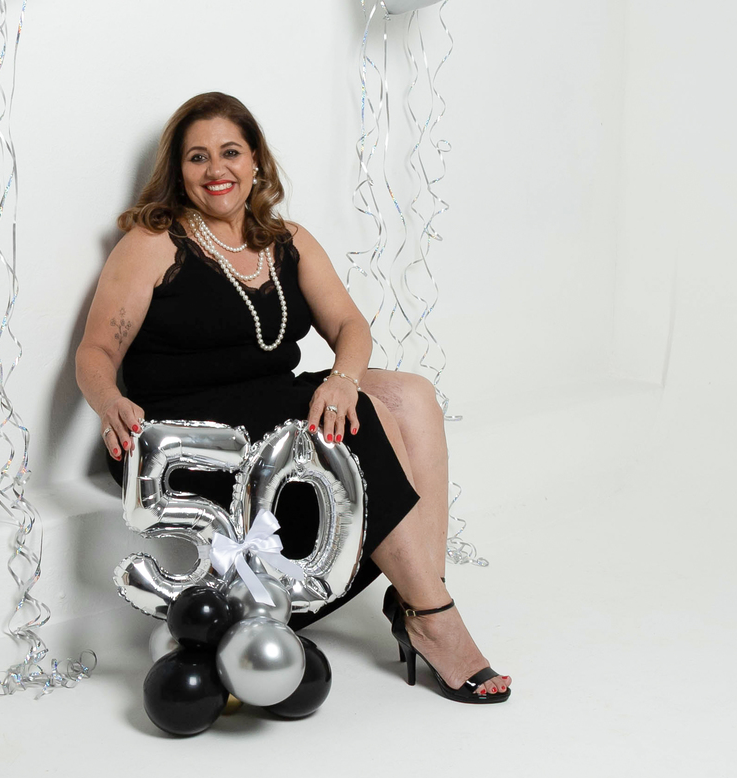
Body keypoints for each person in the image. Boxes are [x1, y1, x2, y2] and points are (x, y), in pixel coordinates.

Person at [75, 92, 510, 703]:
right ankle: (435, 616)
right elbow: (96, 352)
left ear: (256, 160)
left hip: (270, 399)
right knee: (365, 420)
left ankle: (419, 595)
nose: (216, 169)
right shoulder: (154, 242)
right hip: (188, 429)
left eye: (230, 152)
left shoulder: (288, 240)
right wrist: (108, 403)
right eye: (197, 157)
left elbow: (351, 327)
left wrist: (342, 379)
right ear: (178, 171)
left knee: (411, 395)